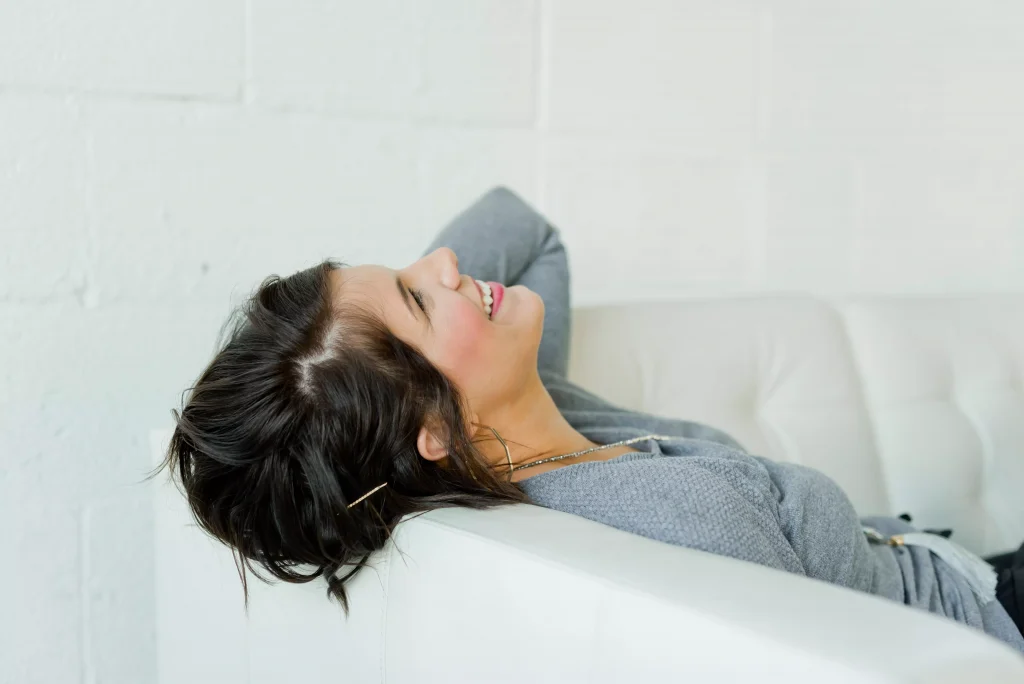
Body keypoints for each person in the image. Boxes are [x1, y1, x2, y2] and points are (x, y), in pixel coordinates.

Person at [159, 187, 1024, 655]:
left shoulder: (531, 415)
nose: (449, 261)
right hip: (985, 624)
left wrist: (367, 333)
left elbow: (522, 227)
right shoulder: (661, 520)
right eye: (420, 295)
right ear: (426, 430)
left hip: (961, 565)